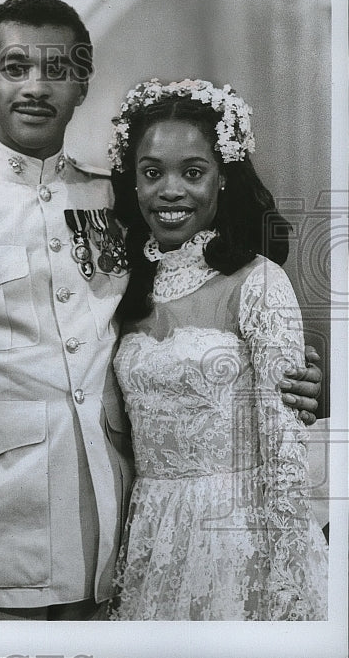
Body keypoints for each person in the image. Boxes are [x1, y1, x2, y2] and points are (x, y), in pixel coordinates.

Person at [0, 0, 323, 620]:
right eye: (15, 67)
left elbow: (196, 303)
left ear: (82, 84)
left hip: (115, 542)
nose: (35, 88)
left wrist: (299, 379)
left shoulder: (121, 203)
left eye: (57, 70)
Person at [106, 79, 328, 620]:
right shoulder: (119, 289)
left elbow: (285, 454)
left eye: (194, 171)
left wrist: (286, 582)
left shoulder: (258, 281)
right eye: (152, 172)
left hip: (238, 531)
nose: (171, 190)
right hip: (149, 529)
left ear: (223, 179)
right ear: (132, 182)